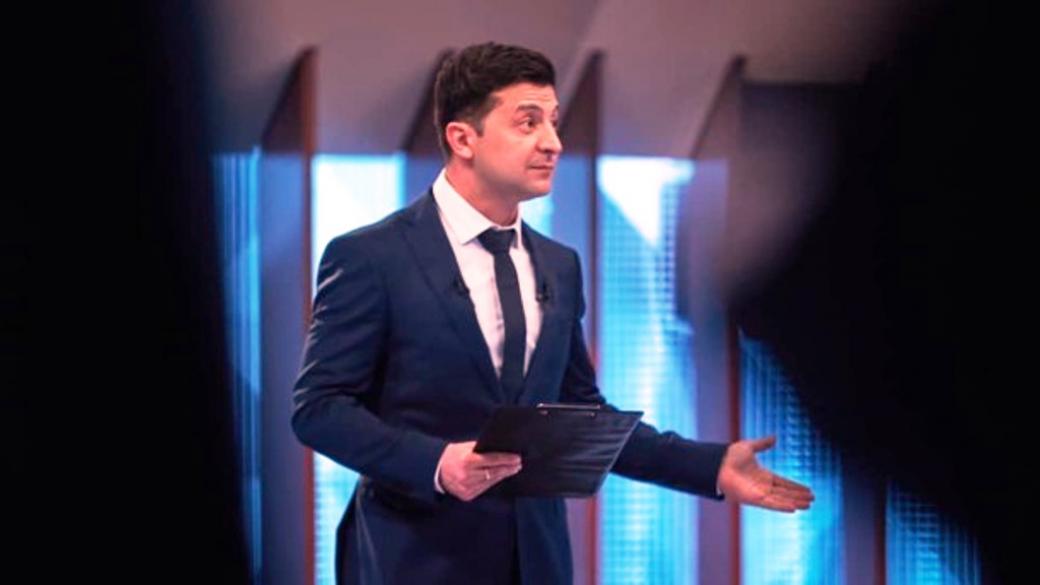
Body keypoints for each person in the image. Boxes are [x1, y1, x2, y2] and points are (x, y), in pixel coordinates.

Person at [292, 41, 813, 585]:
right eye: (528, 123)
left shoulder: (559, 265)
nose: (553, 143)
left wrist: (708, 466)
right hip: (411, 560)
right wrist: (437, 464)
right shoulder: (370, 257)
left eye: (555, 123)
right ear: (463, 138)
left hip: (537, 559)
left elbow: (579, 413)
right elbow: (320, 408)